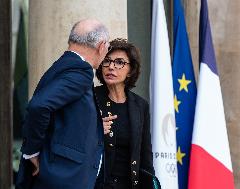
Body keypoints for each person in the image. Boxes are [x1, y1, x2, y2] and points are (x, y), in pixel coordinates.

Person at [16, 18, 110, 189]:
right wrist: (32, 152)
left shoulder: (64, 65)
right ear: (101, 46)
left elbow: (61, 115)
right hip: (65, 177)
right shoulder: (81, 72)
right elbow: (39, 106)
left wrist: (95, 126)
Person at [94, 38, 155, 189]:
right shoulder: (90, 98)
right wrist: (94, 129)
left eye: (119, 62)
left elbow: (145, 157)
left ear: (130, 70)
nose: (111, 67)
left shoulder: (140, 106)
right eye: (107, 61)